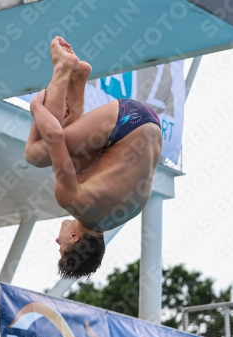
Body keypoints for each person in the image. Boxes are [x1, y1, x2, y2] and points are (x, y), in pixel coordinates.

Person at [25, 37, 162, 279]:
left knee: (75, 161)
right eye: (60, 246)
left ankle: (78, 78)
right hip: (126, 122)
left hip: (149, 124)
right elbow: (55, 135)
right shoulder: (72, 200)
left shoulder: (119, 216)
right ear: (75, 237)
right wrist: (37, 106)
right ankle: (62, 66)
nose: (57, 238)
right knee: (36, 154)